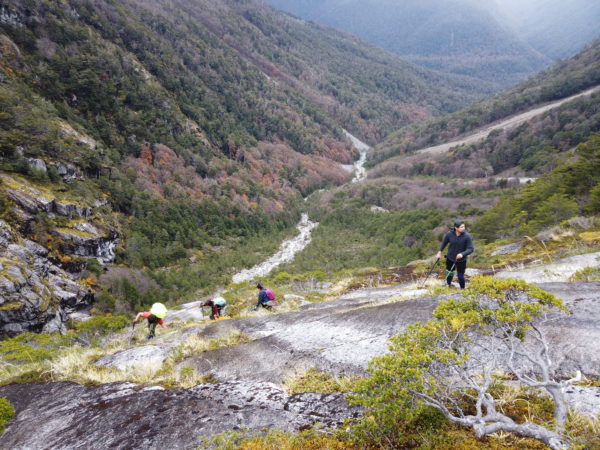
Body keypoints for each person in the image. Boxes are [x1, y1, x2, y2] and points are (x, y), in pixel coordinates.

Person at [436, 220, 474, 289]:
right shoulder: (449, 234)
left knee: (460, 276)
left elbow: (470, 249)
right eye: (461, 227)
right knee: (449, 273)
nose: (463, 228)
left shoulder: (467, 236)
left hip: (461, 260)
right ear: (456, 228)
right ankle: (449, 285)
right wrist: (439, 251)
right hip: (450, 258)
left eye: (464, 226)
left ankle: (462, 289)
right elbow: (444, 243)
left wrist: (462, 254)